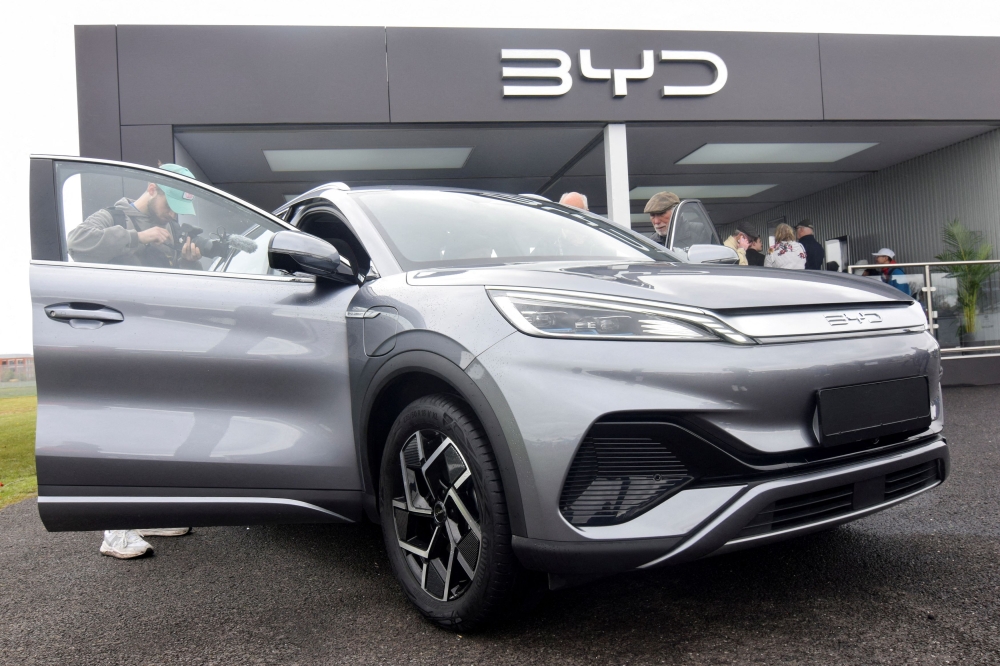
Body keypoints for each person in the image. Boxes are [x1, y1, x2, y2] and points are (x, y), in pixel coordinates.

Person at [67, 163, 207, 269]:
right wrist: (138, 237)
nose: (172, 214)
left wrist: (188, 262)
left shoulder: (173, 229)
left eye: (178, 210)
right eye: (169, 206)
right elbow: (75, 242)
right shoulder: (112, 218)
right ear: (152, 189)